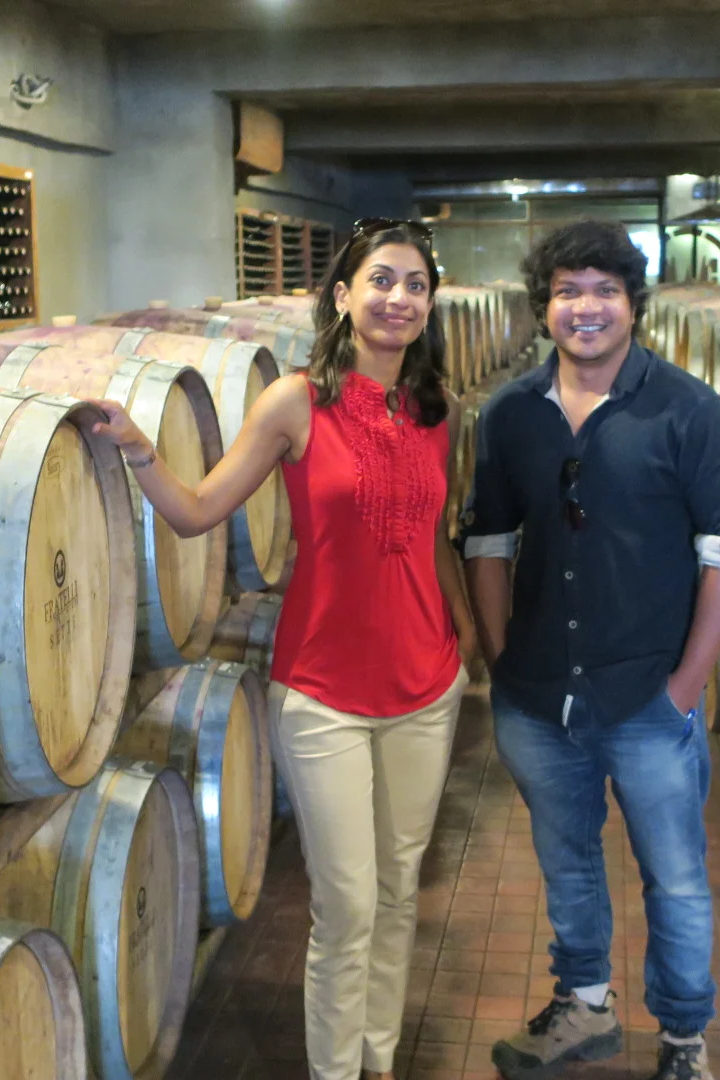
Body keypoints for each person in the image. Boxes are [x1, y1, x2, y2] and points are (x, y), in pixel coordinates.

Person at [89, 218, 480, 1080]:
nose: (399, 299)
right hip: (323, 689)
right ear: (343, 296)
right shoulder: (296, 402)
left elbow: (436, 541)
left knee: (397, 892)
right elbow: (196, 510)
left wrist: (471, 646)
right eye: (382, 280)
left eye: (415, 284)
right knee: (344, 906)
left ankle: (379, 1059)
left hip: (427, 682)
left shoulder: (438, 409)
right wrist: (141, 452)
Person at [460, 220, 720, 1080]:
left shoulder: (687, 408)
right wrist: (499, 661)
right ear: (543, 306)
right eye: (567, 290)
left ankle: (683, 1041)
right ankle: (584, 1006)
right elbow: (487, 541)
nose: (585, 307)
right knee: (568, 863)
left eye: (604, 290)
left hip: (644, 699)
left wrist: (684, 689)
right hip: (538, 699)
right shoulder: (512, 413)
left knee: (675, 880)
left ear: (633, 304)